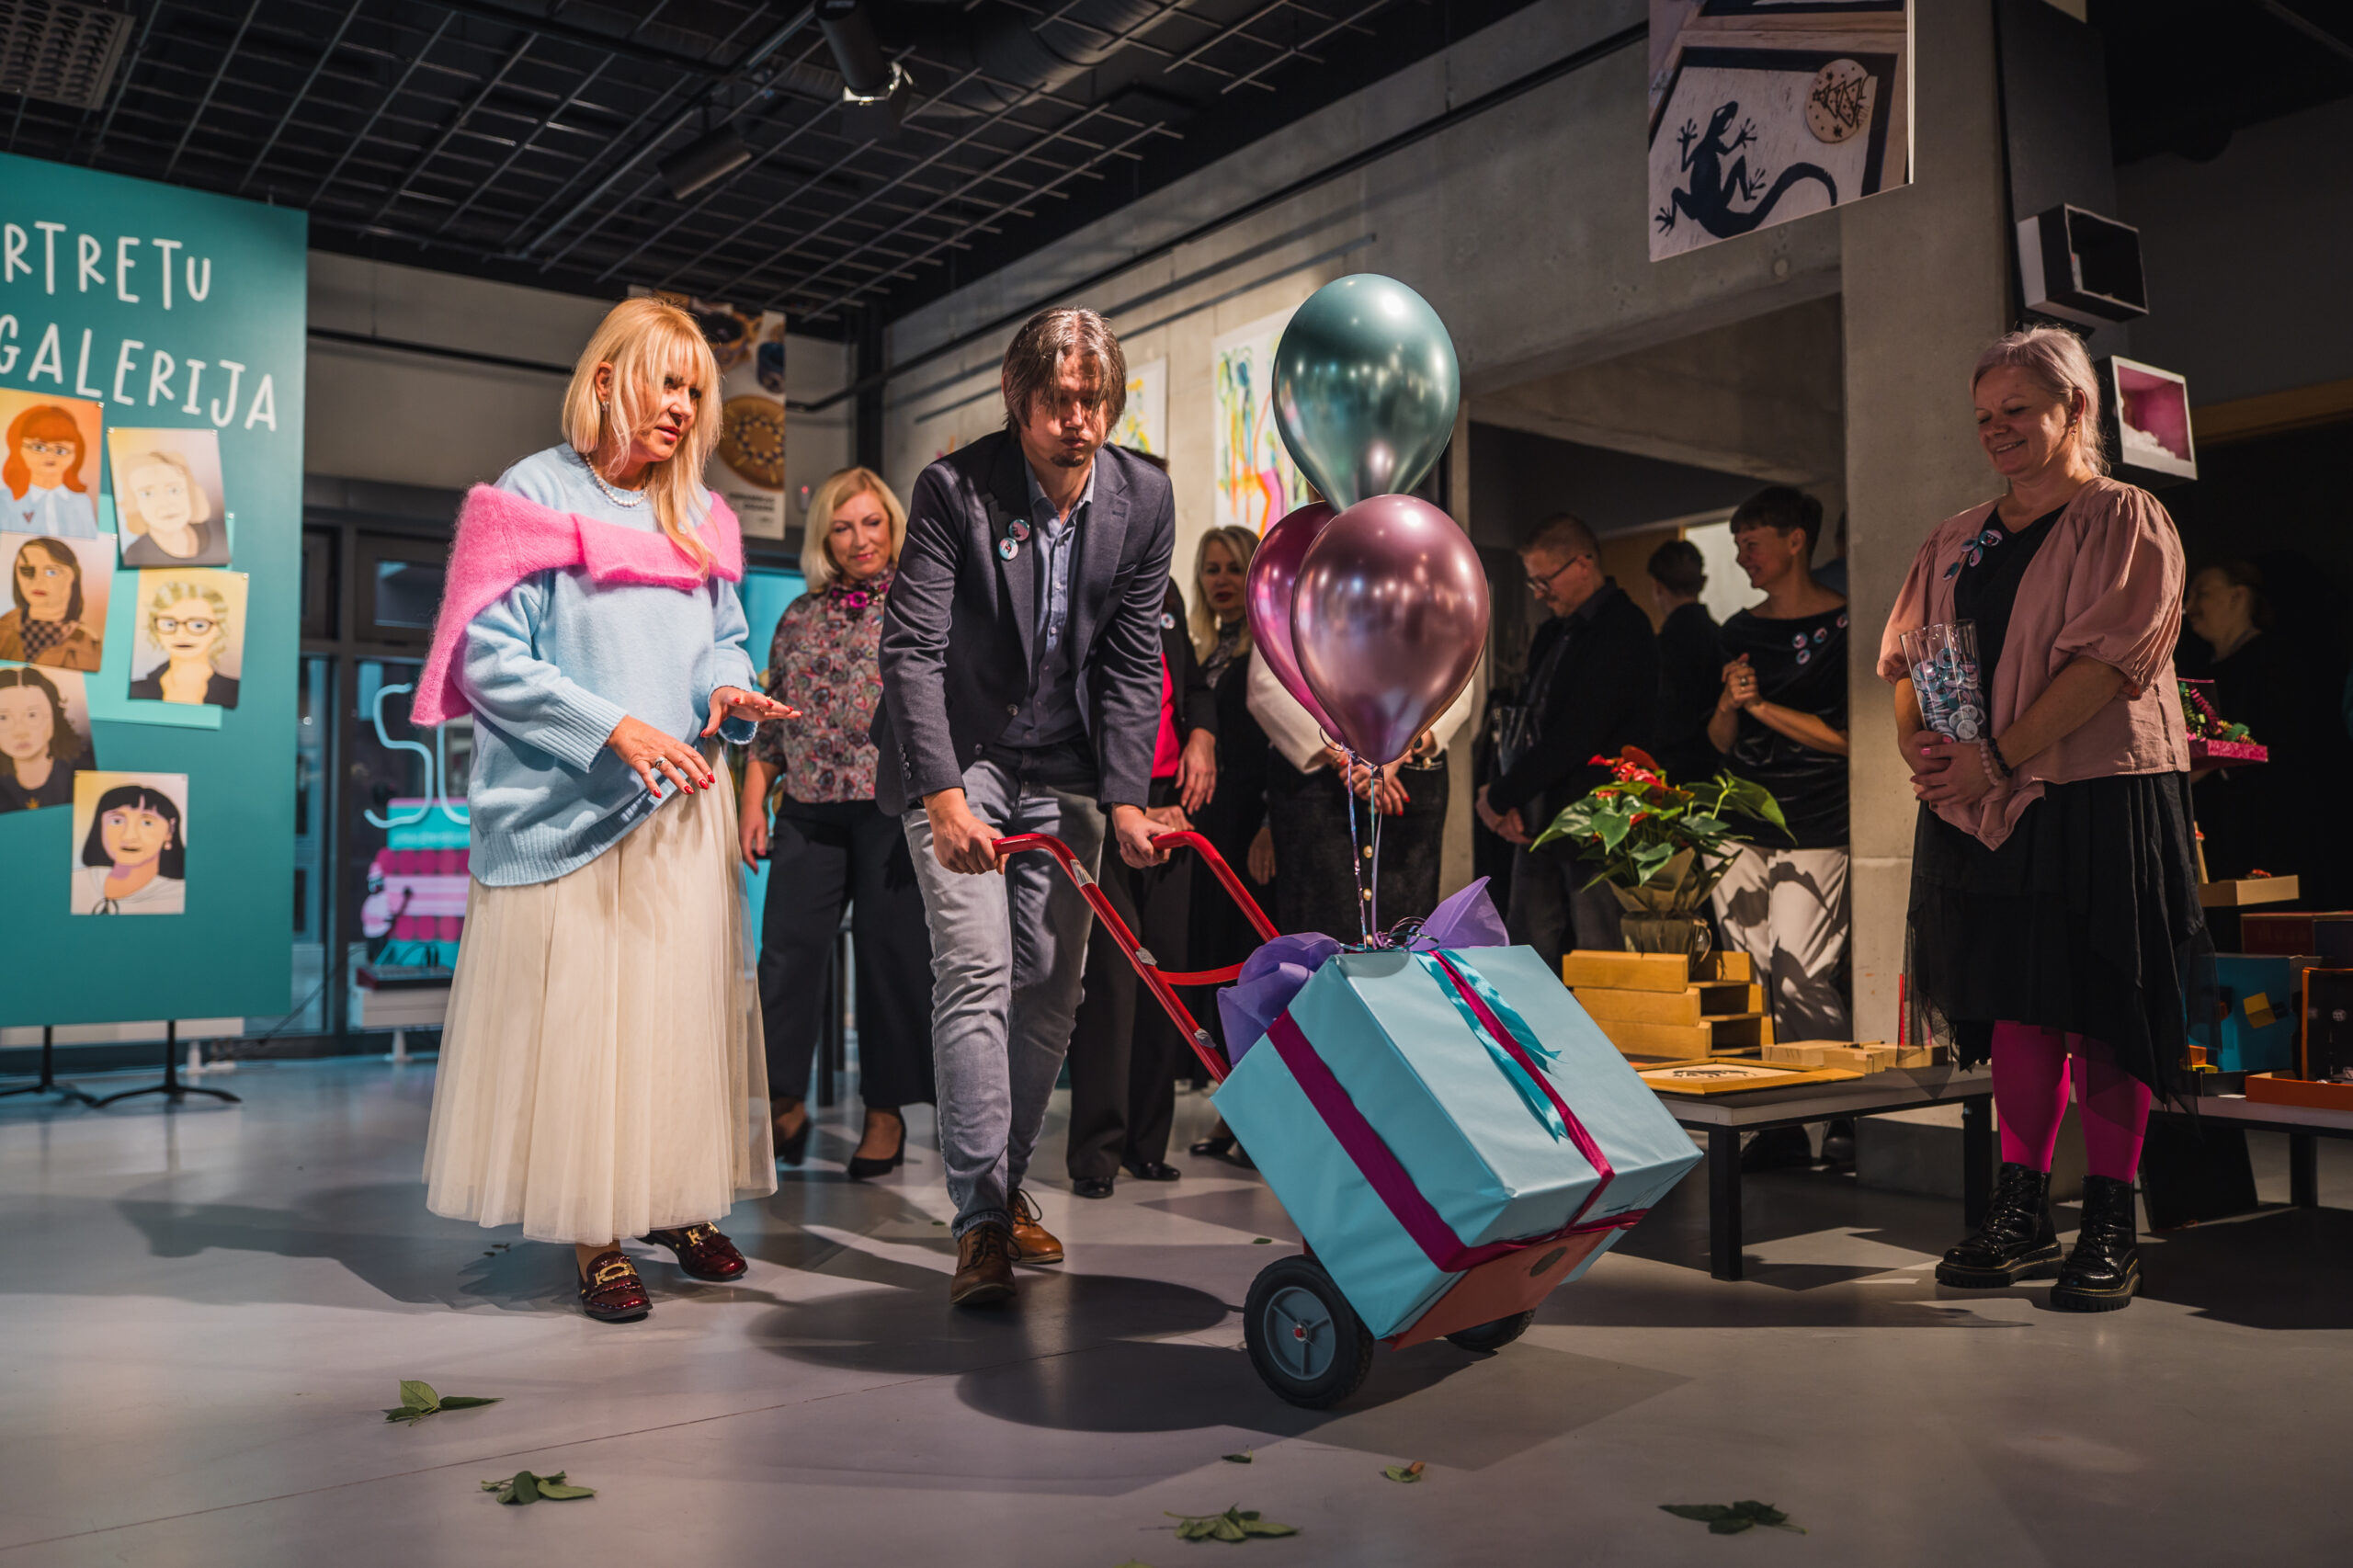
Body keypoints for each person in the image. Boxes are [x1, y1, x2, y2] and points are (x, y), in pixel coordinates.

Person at [415, 297, 798, 1324]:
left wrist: (728, 688)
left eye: (696, 391)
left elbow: (722, 638)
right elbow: (490, 659)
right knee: (588, 1030)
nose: (683, 407)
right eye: (666, 382)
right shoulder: (530, 494)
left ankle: (673, 1202)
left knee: (675, 1024)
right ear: (605, 379)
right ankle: (597, 1232)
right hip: (569, 813)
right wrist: (614, 727)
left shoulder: (698, 513)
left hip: (678, 811)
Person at [1882, 324, 2209, 1313]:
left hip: (2095, 786)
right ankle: (2020, 1209)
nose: (1997, 430)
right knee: (2018, 1001)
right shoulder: (1954, 535)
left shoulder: (2125, 517)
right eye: (1984, 416)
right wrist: (1921, 748)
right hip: (1979, 800)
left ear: (2076, 409)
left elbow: (2109, 663)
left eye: (2017, 410)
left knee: (2104, 999)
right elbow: (1905, 659)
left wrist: (1995, 755)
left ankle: (2110, 1221)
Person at [874, 306, 1174, 1308]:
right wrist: (943, 796)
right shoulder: (954, 488)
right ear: (1018, 398)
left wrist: (1127, 799)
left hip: (1068, 765)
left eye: (1095, 401)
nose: (1078, 420)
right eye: (1058, 401)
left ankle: (1001, 1186)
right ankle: (980, 1220)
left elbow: (1132, 658)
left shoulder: (1144, 496)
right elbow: (912, 651)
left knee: (1052, 986)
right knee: (977, 966)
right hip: (961, 754)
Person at [741, 466, 936, 1179]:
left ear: (892, 526)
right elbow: (771, 721)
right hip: (808, 807)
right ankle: (785, 1101)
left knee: (891, 960)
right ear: (825, 537)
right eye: (843, 527)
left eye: (872, 523)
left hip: (891, 809)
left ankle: (885, 1112)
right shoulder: (800, 614)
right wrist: (752, 800)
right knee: (786, 957)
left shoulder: (921, 605)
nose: (860, 540)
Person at [1064, 572, 1213, 1198]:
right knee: (1112, 985)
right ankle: (1097, 1154)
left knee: (1167, 981)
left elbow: (1194, 687)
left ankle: (1147, 1146)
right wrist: (1126, 805)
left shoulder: (1164, 591)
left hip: (1173, 808)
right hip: (1103, 806)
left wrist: (1202, 735)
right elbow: (1073, 710)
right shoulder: (1077, 584)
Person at [1481, 512, 1660, 971]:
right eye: (1533, 582)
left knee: (1601, 954)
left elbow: (1580, 732)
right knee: (1526, 947)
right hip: (1541, 815)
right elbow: (1528, 723)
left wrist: (1503, 793)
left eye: (1545, 580)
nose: (1539, 593)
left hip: (1597, 820)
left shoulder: (1624, 628)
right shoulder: (1552, 632)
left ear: (1583, 564)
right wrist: (1513, 794)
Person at [1707, 486, 1851, 1046]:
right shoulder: (1737, 631)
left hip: (1817, 818)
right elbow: (1721, 741)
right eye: (1737, 545)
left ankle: (1828, 1096)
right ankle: (1763, 1096)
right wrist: (1729, 704)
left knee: (1799, 979)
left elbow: (1849, 741)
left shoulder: (1846, 625)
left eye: (1751, 543)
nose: (1742, 556)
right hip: (1739, 820)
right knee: (1745, 977)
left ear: (1796, 541)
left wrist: (1762, 707)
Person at [1248, 648, 1472, 943]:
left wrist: (1404, 746)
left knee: (1404, 937)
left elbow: (1463, 670)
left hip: (1411, 778)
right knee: (1320, 935)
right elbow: (1266, 682)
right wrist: (1342, 756)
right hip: (1316, 782)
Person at [1647, 537, 1721, 787]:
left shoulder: (1661, 646)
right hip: (1719, 771)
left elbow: (1662, 720)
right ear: (1702, 582)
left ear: (1658, 587)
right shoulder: (1722, 637)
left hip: (1674, 774)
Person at [74, 781, 186, 915]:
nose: (128, 836)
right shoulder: (75, 882)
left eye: (147, 823)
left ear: (170, 830)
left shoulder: (179, 896)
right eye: (117, 821)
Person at [127, 576, 239, 707]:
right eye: (169, 624)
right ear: (155, 628)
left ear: (218, 629)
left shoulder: (235, 692)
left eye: (198, 625)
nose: (181, 635)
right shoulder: (134, 690)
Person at [0, 537, 102, 671]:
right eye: (26, 571)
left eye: (51, 572)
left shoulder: (88, 645)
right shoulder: (4, 629)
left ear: (72, 576)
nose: (38, 581)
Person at [117, 448, 232, 567]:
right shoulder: (135, 554)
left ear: (191, 492)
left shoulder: (219, 534)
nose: (165, 504)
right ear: (134, 503)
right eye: (147, 494)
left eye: (174, 490)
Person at [5, 405, 99, 539]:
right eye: (38, 447)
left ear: (75, 453)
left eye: (60, 450)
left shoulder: (81, 503)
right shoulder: (6, 501)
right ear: (18, 448)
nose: (50, 456)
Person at [0, 665, 85, 813]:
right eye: (3, 718)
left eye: (32, 715)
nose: (20, 731)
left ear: (54, 715)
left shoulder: (83, 768)